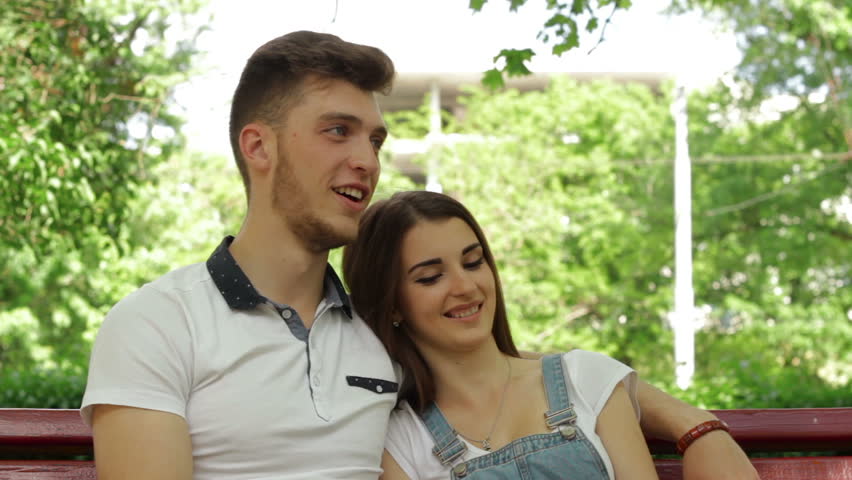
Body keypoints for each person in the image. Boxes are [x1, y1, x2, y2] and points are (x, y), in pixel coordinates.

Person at [81, 30, 758, 480]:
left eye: (374, 139)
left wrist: (674, 415)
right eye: (337, 132)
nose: (365, 160)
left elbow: (512, 375)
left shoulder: (379, 341)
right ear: (259, 147)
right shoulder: (158, 324)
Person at [343, 190, 661, 479]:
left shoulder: (587, 380)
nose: (466, 287)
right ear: (391, 306)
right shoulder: (398, 439)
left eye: (473, 262)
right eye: (430, 277)